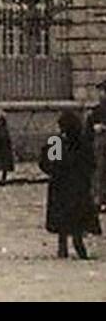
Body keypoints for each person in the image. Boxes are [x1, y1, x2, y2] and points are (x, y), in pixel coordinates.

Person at [39, 110, 100, 259]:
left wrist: (55, 173)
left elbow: (47, 164)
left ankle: (63, 248)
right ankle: (79, 248)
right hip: (78, 186)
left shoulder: (57, 142)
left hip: (60, 185)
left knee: (62, 219)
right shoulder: (82, 141)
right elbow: (91, 164)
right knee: (77, 219)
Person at [87, 80, 106, 212]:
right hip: (99, 148)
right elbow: (87, 131)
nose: (101, 94)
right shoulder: (96, 111)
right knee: (98, 173)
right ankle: (98, 199)